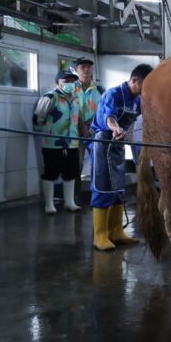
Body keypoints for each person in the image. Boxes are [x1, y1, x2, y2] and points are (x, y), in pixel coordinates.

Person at [90, 64, 154, 251]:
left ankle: (116, 231)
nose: (146, 90)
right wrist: (115, 127)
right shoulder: (112, 94)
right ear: (135, 80)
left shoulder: (137, 99)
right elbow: (109, 117)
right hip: (103, 144)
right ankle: (100, 236)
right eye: (145, 85)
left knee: (118, 188)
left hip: (117, 146)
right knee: (103, 187)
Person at [34, 70, 84, 214]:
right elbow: (38, 118)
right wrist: (46, 132)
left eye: (72, 81)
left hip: (72, 143)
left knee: (71, 172)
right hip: (53, 143)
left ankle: (70, 202)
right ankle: (49, 205)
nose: (69, 84)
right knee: (51, 172)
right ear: (57, 82)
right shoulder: (50, 97)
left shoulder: (75, 98)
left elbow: (77, 118)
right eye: (65, 81)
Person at [73, 57, 104, 188]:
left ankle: (98, 191)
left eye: (89, 67)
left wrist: (90, 125)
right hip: (75, 132)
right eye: (82, 67)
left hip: (94, 131)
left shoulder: (100, 88)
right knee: (76, 164)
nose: (86, 70)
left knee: (98, 162)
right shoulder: (71, 88)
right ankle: (75, 194)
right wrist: (82, 126)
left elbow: (104, 108)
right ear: (76, 70)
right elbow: (70, 108)